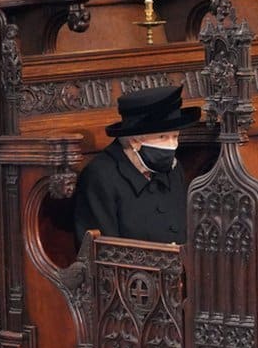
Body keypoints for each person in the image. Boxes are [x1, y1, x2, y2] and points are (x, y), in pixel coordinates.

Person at [73, 85, 200, 245]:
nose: (172, 145)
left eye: (175, 136)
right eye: (162, 137)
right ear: (135, 140)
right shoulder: (100, 177)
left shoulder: (174, 169)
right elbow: (102, 253)